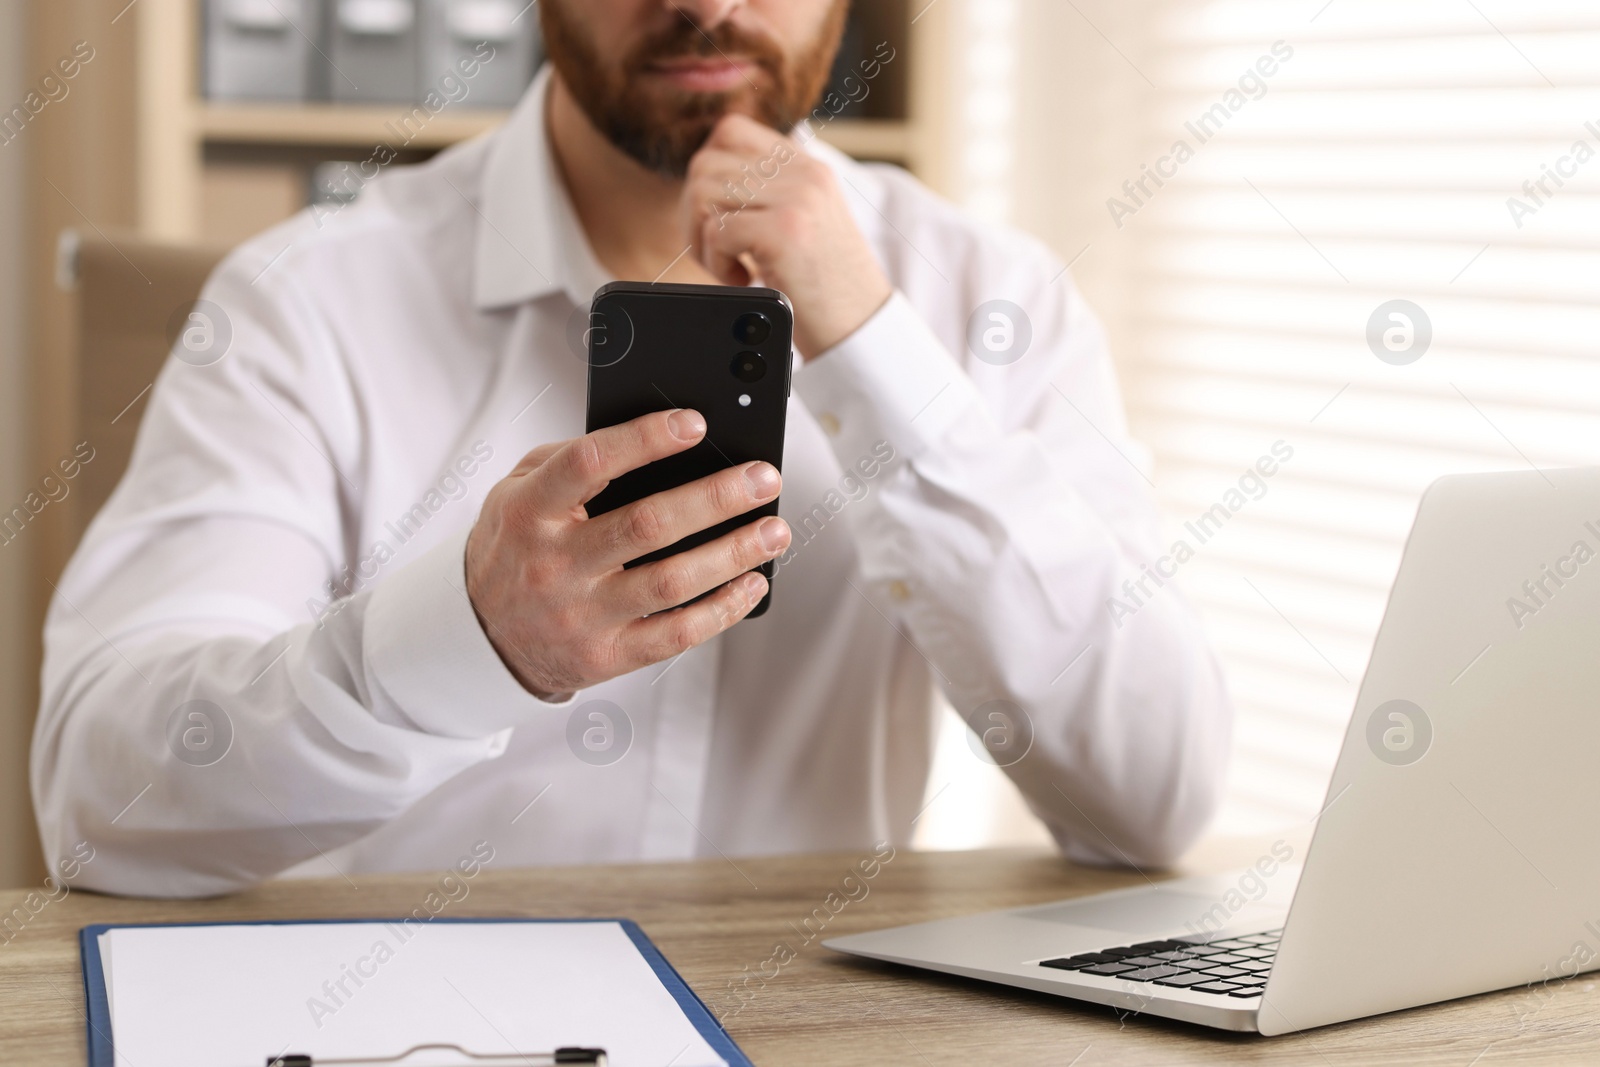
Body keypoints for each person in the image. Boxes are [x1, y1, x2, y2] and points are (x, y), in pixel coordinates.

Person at [32, 0, 1231, 897]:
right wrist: (453, 643)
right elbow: (98, 794)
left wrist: (877, 349)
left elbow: (1153, 797)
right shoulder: (305, 301)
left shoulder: (988, 300)